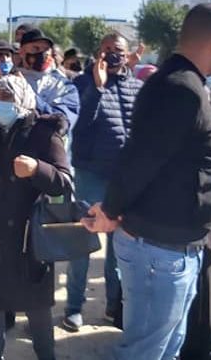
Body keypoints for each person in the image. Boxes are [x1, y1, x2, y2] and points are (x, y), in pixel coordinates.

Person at [84, 4, 211, 360]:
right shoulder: (179, 88)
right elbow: (140, 158)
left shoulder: (191, 87)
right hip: (159, 250)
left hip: (176, 248)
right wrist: (110, 210)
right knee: (145, 352)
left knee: (167, 347)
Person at [0, 74, 72, 360]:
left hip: (28, 239)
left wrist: (37, 169)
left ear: (23, 98)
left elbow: (64, 182)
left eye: (8, 98)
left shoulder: (43, 132)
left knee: (36, 308)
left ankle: (46, 355)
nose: (2, 104)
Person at [63, 33, 142, 332]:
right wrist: (97, 87)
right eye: (107, 49)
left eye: (118, 49)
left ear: (128, 54)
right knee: (83, 239)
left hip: (124, 177)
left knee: (119, 243)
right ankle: (73, 306)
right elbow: (79, 125)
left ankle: (113, 305)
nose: (112, 54)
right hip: (91, 172)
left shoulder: (137, 87)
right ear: (98, 52)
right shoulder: (82, 83)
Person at [0, 28, 79, 130]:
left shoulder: (64, 86)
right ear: (21, 52)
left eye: (46, 49)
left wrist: (29, 96)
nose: (43, 54)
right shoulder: (9, 81)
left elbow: (62, 121)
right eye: (36, 48)